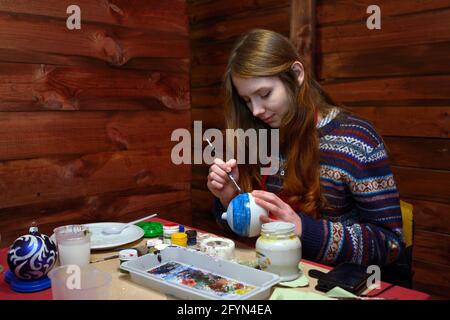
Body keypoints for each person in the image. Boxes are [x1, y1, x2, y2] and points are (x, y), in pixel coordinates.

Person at [206, 29, 411, 286]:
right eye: (247, 100)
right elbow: (254, 231)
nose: (256, 110)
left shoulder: (357, 140)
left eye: (265, 94)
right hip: (275, 279)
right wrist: (229, 200)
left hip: (337, 285)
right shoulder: (261, 136)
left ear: (296, 74)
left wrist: (302, 230)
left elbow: (390, 244)